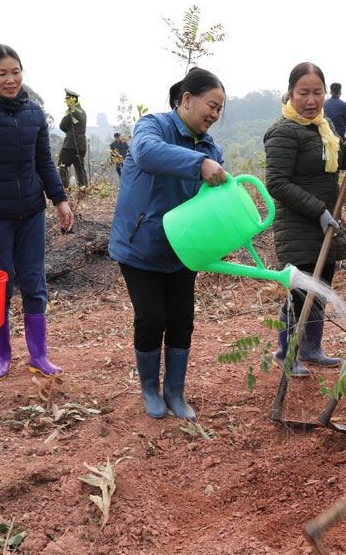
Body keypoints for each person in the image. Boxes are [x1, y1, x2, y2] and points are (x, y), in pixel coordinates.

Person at [108, 67, 226, 421]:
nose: (215, 114)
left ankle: (175, 390)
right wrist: (198, 163)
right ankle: (149, 388)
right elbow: (145, 153)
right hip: (140, 244)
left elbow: (210, 206)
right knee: (151, 317)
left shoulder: (211, 148)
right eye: (211, 104)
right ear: (186, 99)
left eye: (220, 109)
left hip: (182, 249)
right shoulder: (153, 125)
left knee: (181, 320)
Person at [0, 43, 74, 382]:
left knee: (35, 282)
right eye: (2, 73)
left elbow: (44, 161)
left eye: (16, 72)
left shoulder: (33, 112)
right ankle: (2, 356)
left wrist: (59, 199)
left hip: (31, 212)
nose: (11, 79)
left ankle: (39, 355)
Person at [264, 62, 346, 378]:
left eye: (317, 92)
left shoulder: (325, 128)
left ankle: (311, 349)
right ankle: (286, 352)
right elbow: (277, 182)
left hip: (324, 225)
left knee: (320, 286)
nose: (311, 100)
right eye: (303, 93)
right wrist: (319, 211)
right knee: (300, 292)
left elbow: (341, 162)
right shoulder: (283, 132)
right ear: (291, 94)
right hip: (298, 226)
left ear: (325, 93)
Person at [57, 88, 88, 187]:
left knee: (62, 166)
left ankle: (64, 190)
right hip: (82, 145)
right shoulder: (83, 111)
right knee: (80, 169)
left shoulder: (72, 110)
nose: (65, 101)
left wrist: (70, 132)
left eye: (67, 99)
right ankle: (84, 190)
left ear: (71, 100)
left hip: (70, 145)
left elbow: (62, 125)